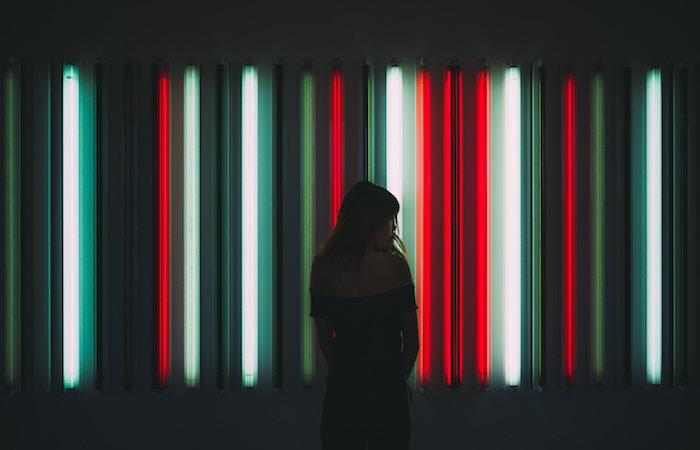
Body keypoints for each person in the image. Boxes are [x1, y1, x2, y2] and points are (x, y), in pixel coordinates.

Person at [309, 181, 419, 450]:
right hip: (388, 389)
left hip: (343, 390)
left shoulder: (322, 269)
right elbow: (412, 342)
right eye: (389, 220)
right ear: (370, 224)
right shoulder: (396, 269)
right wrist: (393, 378)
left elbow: (325, 341)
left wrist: (348, 374)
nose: (393, 227)